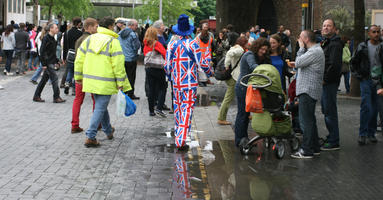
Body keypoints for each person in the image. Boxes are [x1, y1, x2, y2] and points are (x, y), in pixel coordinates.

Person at [75, 16, 131, 147]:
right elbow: (118, 64)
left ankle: (107, 130)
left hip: (90, 80)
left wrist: (78, 77)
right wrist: (120, 82)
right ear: (111, 26)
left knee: (101, 106)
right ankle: (91, 136)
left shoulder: (89, 39)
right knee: (100, 107)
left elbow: (79, 59)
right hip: (106, 81)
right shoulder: (113, 41)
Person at [165, 14, 212, 151]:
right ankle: (181, 140)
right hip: (190, 83)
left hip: (176, 83)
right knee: (187, 110)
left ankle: (180, 136)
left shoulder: (172, 44)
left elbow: (167, 66)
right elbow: (202, 63)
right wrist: (210, 72)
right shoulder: (193, 44)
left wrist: (171, 76)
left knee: (178, 110)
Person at [289, 30, 325, 159]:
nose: (298, 40)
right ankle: (314, 147)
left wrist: (300, 49)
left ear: (305, 39)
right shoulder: (315, 51)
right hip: (309, 89)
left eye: (300, 38)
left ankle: (306, 150)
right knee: (310, 120)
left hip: (307, 90)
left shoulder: (314, 51)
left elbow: (298, 62)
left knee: (305, 122)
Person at [235, 38, 270, 147]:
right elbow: (253, 66)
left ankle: (244, 139)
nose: (263, 52)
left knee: (246, 114)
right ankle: (240, 140)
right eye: (262, 49)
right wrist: (267, 71)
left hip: (251, 87)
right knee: (242, 114)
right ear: (257, 47)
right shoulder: (249, 55)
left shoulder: (262, 56)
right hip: (243, 87)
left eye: (265, 50)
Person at [351, 25, 382, 145]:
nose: (376, 34)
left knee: (375, 108)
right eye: (374, 32)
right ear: (369, 33)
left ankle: (371, 133)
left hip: (378, 82)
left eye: (378, 32)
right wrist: (359, 76)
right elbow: (353, 62)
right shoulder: (362, 46)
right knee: (366, 106)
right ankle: (362, 134)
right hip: (366, 80)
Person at [71, 18, 99, 134]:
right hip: (91, 73)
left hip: (79, 73)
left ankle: (75, 124)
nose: (97, 29)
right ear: (90, 27)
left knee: (78, 99)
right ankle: (97, 123)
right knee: (96, 99)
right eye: (96, 27)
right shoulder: (92, 40)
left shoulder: (79, 39)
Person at [320, 19, 343, 151]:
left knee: (329, 110)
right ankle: (331, 136)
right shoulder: (327, 42)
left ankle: (334, 140)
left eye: (329, 26)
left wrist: (325, 79)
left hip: (329, 83)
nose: (326, 28)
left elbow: (333, 65)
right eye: (324, 26)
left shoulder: (335, 44)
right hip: (327, 82)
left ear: (334, 29)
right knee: (326, 109)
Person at [217, 36, 248, 125]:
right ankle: (221, 118)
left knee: (243, 95)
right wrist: (226, 65)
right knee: (228, 99)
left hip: (234, 76)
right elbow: (230, 54)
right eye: (246, 42)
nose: (247, 44)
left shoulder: (235, 47)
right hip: (235, 77)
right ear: (243, 43)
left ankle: (247, 113)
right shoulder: (240, 50)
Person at [32, 23, 65, 103]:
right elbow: (42, 51)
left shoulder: (53, 38)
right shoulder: (46, 38)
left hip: (50, 61)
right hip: (47, 62)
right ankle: (56, 97)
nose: (57, 29)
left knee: (44, 80)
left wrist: (57, 61)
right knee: (55, 79)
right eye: (56, 28)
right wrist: (43, 64)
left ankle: (36, 96)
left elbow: (52, 52)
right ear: (51, 29)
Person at [143, 27, 167, 117]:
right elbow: (165, 53)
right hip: (158, 68)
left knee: (151, 89)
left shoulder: (145, 43)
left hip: (149, 68)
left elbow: (145, 54)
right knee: (162, 87)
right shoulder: (156, 44)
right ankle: (159, 108)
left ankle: (151, 111)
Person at [118, 19, 141, 100]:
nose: (137, 27)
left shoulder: (120, 33)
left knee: (123, 76)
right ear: (131, 25)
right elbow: (136, 46)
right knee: (131, 77)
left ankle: (123, 92)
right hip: (131, 59)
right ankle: (131, 94)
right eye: (136, 25)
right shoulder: (133, 34)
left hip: (122, 58)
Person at [63, 17, 83, 95]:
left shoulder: (67, 32)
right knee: (76, 72)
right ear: (78, 24)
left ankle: (67, 83)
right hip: (78, 54)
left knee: (70, 70)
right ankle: (74, 89)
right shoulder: (80, 33)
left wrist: (64, 57)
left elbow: (65, 46)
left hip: (69, 53)